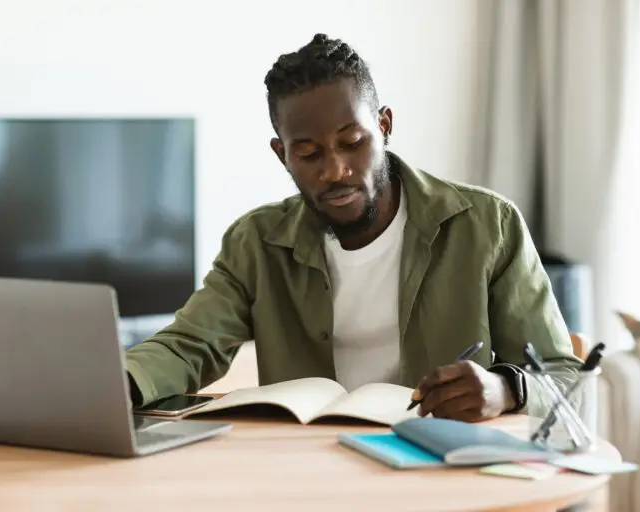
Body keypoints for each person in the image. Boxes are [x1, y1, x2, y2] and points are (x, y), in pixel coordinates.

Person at [124, 33, 581, 421]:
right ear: (282, 155)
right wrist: (115, 383)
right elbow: (189, 346)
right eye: (308, 154)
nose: (335, 170)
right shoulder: (255, 242)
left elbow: (563, 375)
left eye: (352, 142)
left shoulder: (487, 225)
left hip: (439, 467)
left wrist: (506, 389)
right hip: (308, 473)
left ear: (383, 126)